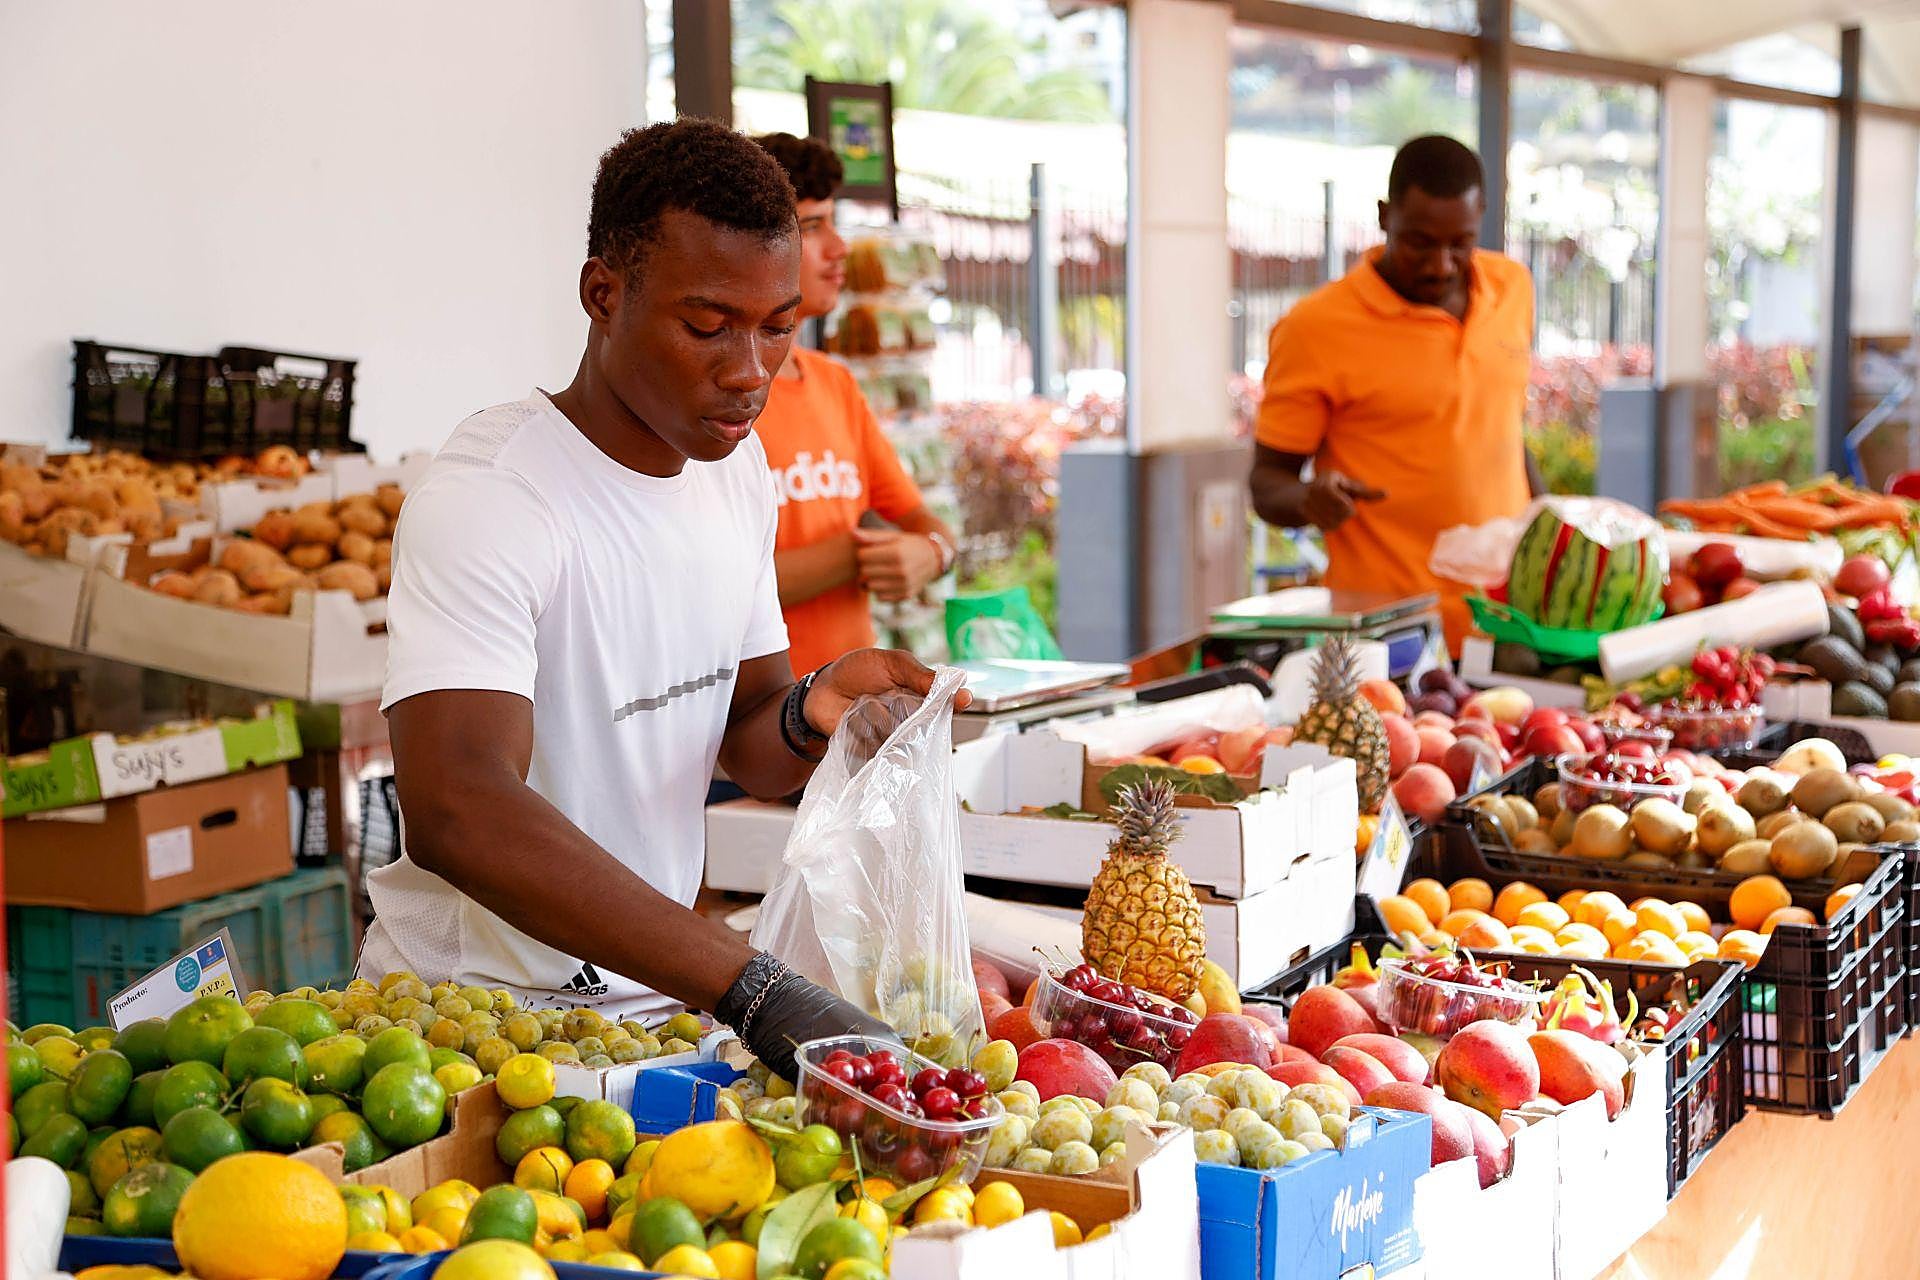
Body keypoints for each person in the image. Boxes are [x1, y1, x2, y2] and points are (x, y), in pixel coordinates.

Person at [361, 119, 961, 1080]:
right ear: (604, 294)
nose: (750, 372)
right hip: (467, 1026)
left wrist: (818, 708)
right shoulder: (494, 495)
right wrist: (748, 982)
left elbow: (745, 736)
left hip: (651, 1009)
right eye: (707, 324)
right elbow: (459, 807)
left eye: (777, 328)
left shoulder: (735, 471)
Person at [1248, 135, 1543, 653]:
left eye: (1460, 243)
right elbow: (1266, 483)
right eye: (1420, 242)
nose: (1441, 265)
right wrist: (1309, 500)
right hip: (1392, 637)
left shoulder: (1512, 287)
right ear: (1385, 217)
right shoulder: (1315, 329)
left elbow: (1501, 430)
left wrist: (1551, 520)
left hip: (1511, 622)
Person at [749, 132, 956, 678]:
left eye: (833, 223)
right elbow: (717, 591)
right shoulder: (725, 397)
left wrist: (931, 553)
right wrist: (859, 555)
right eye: (813, 227)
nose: (840, 249)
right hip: (754, 731)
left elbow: (926, 522)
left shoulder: (836, 383)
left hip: (853, 718)